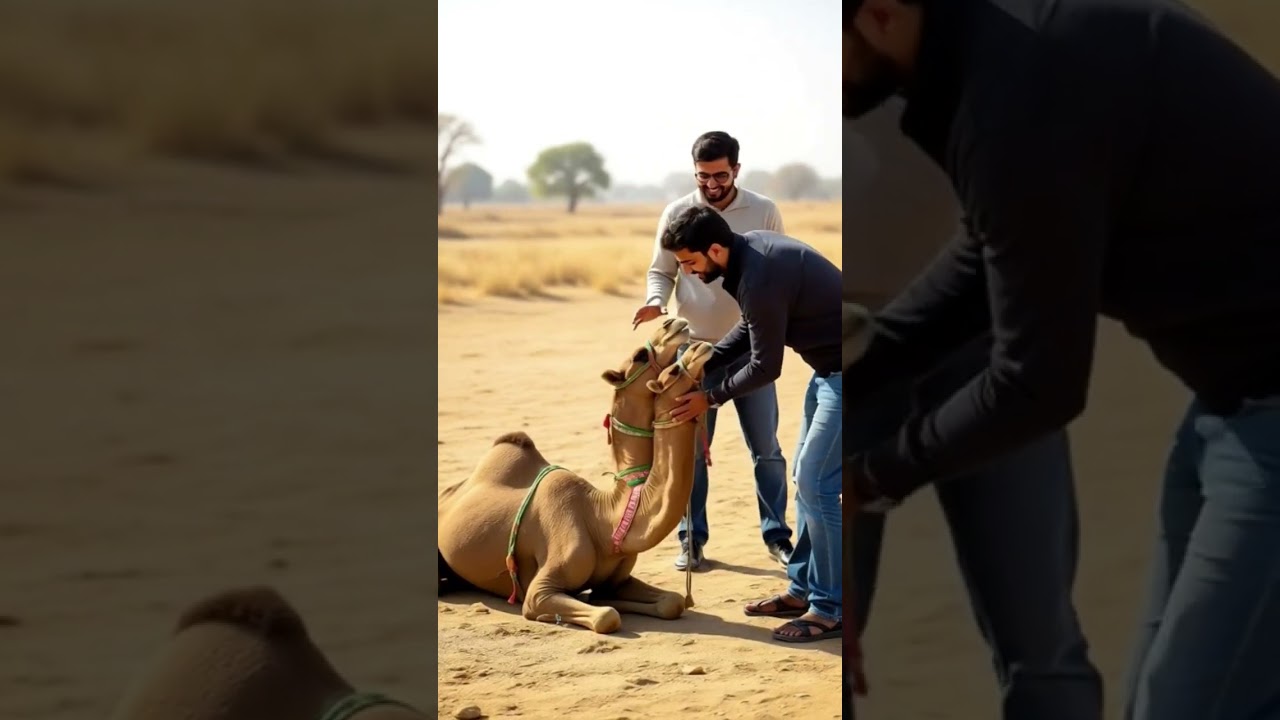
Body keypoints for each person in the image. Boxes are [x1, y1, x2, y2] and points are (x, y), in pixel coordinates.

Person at [842, 1, 1280, 718]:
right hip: (1227, 409)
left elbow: (1038, 384)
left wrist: (869, 478)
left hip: (1269, 418)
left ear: (883, 13)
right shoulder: (1003, 51)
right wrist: (866, 371)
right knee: (1167, 697)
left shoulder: (1016, 93)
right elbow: (992, 249)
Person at [842, 98, 1102, 720]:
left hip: (988, 339)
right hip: (842, 360)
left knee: (1043, 646)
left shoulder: (982, 39)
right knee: (826, 644)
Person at [664, 205, 843, 643]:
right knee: (807, 481)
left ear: (716, 249)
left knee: (817, 485)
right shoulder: (750, 258)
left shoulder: (759, 275)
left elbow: (766, 367)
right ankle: (803, 590)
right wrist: (703, 363)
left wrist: (709, 396)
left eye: (690, 263)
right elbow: (749, 326)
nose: (687, 272)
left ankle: (832, 608)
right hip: (828, 373)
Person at [634, 131, 794, 571]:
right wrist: (654, 300)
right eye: (703, 176)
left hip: (752, 349)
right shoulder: (677, 212)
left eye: (720, 175)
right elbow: (660, 271)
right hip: (694, 355)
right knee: (692, 451)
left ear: (736, 170)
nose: (712, 184)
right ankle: (691, 539)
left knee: (766, 449)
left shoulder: (764, 210)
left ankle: (778, 536)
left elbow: (777, 269)